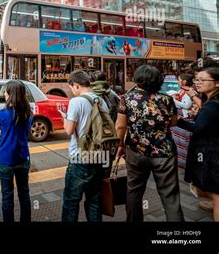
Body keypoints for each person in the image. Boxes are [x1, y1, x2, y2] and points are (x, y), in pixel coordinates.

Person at [116, 65, 184, 222]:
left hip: (135, 151)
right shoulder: (167, 99)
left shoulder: (126, 98)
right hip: (164, 153)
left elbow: (120, 126)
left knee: (134, 190)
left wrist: (120, 146)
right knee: (170, 195)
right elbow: (173, 123)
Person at [60, 70, 109, 222]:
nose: (72, 92)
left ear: (75, 85)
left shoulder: (76, 101)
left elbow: (69, 130)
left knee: (71, 201)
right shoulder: (101, 100)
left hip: (80, 157)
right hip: (99, 156)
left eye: (71, 88)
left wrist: (64, 118)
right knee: (94, 201)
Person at [177, 68, 219, 221]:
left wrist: (177, 121)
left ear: (217, 83)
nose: (198, 82)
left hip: (212, 154)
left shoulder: (212, 105)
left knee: (216, 195)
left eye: (203, 80)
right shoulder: (210, 101)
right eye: (197, 79)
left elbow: (198, 128)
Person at [0, 80, 33, 222]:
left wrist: (4, 131)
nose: (4, 94)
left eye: (5, 91)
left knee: (7, 196)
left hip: (5, 160)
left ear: (10, 94)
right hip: (23, 158)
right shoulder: (29, 113)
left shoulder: (2, 113)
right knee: (24, 193)